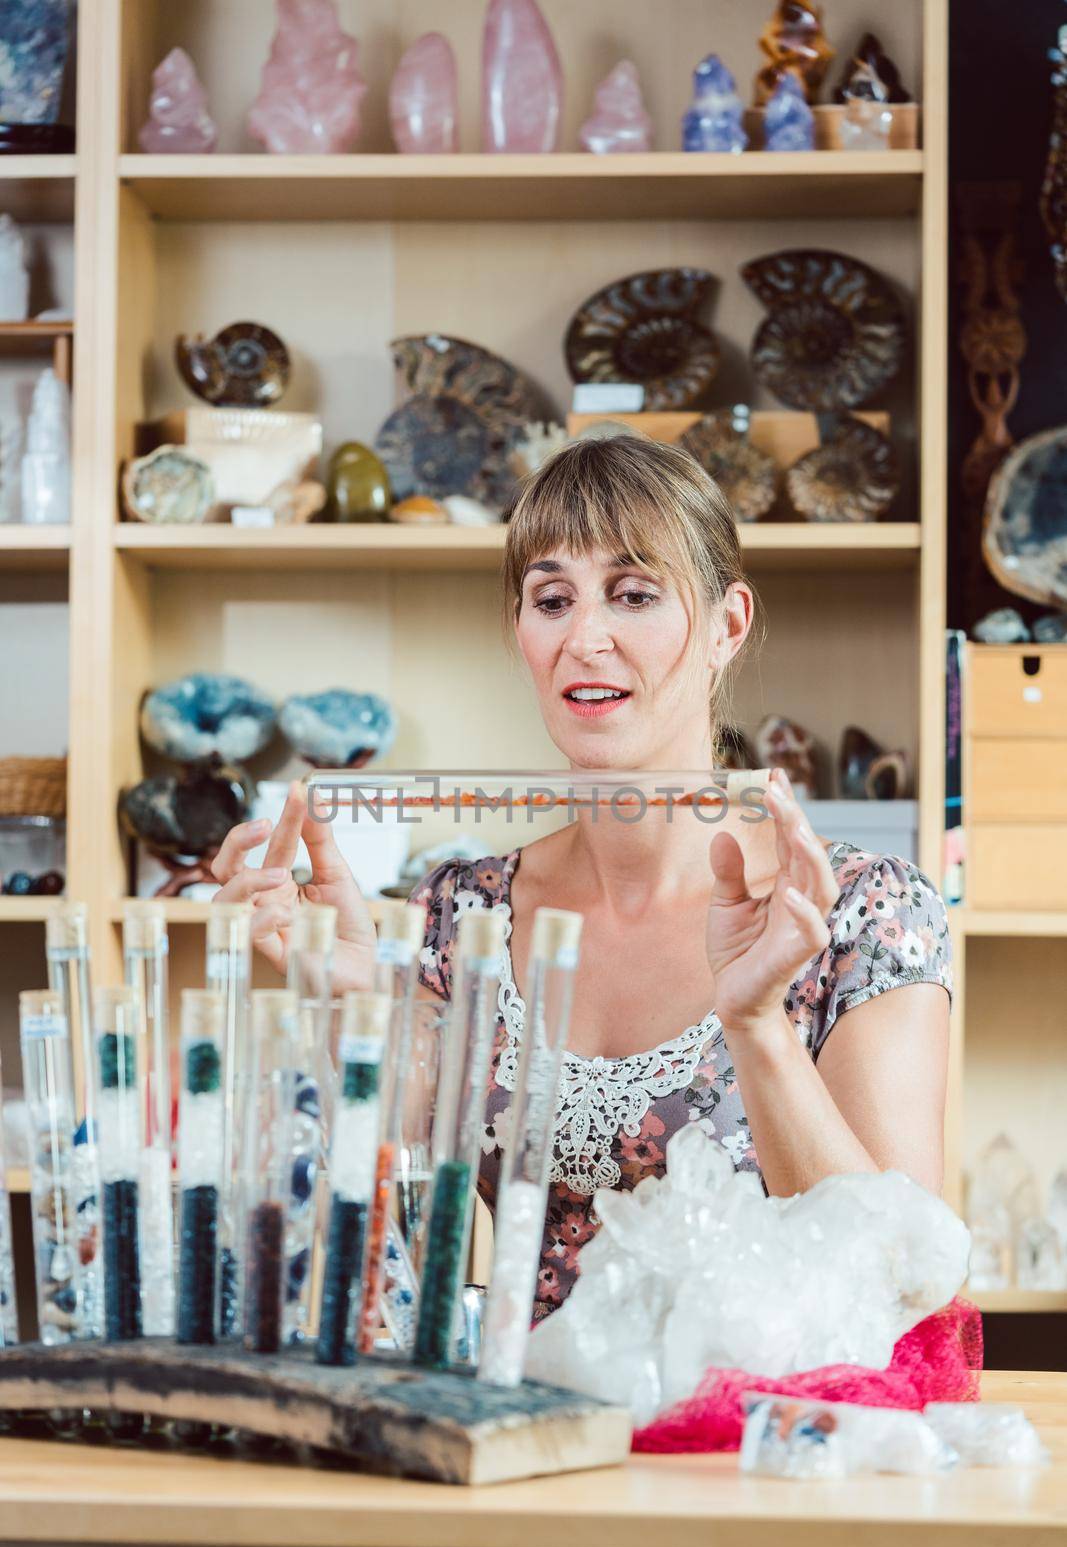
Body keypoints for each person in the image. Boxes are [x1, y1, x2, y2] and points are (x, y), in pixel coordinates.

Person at [209, 432, 952, 1323]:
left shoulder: (865, 915)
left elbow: (908, 1292)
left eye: (633, 594)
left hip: (757, 1441)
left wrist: (756, 1024)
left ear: (727, 625)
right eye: (551, 599)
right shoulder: (458, 917)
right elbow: (377, 1272)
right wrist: (360, 1026)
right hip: (526, 1440)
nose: (584, 637)